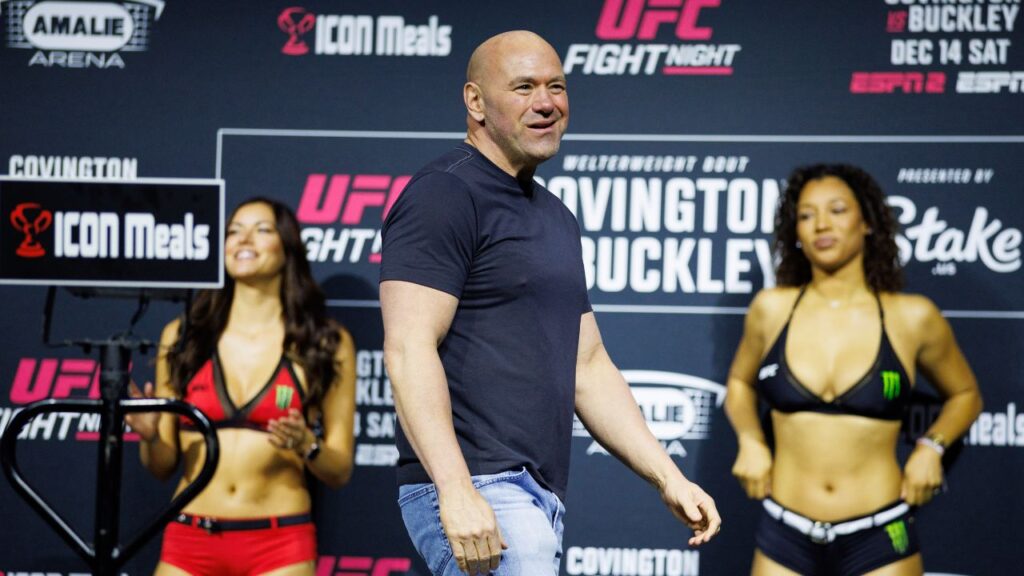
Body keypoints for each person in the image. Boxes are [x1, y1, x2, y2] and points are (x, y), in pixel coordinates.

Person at [379, 30, 721, 576]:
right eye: (523, 87)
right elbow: (407, 348)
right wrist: (457, 490)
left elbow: (586, 366)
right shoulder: (444, 194)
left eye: (555, 86)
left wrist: (668, 476)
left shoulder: (555, 216)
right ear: (475, 102)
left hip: (537, 494)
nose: (546, 103)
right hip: (480, 488)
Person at [725, 164, 983, 576]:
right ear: (795, 232)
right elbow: (739, 383)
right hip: (784, 532)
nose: (821, 224)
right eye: (806, 215)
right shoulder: (770, 309)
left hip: (881, 534)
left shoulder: (912, 317)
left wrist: (931, 447)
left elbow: (966, 395)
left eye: (837, 210)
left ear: (867, 223)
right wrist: (751, 440)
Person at [126, 197, 357, 576]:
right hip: (190, 538)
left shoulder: (324, 343)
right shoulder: (184, 337)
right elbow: (162, 466)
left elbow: (339, 469)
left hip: (279, 543)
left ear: (288, 247)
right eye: (233, 231)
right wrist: (151, 438)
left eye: (261, 230)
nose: (242, 239)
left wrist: (306, 445)